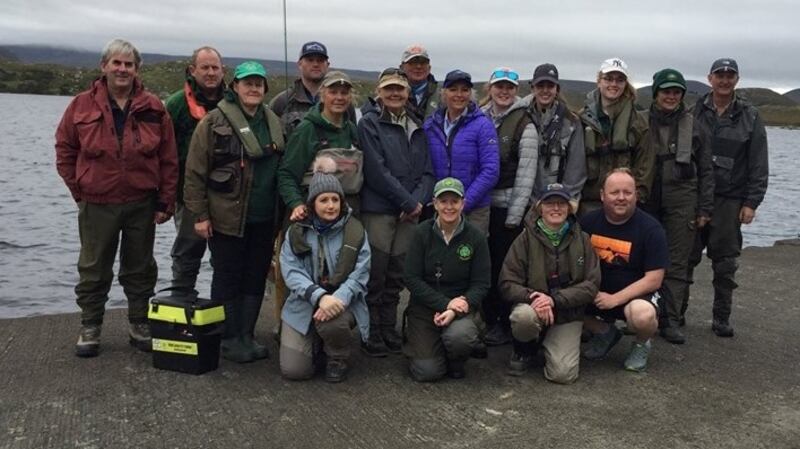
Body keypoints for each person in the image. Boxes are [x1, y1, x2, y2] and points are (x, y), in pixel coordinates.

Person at [55, 38, 178, 357]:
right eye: (117, 63)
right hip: (97, 202)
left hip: (142, 201)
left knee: (140, 267)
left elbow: (168, 157)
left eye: (129, 64)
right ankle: (90, 326)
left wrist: (166, 200)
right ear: (104, 66)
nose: (122, 69)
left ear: (137, 69)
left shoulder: (154, 107)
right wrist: (79, 190)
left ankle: (139, 324)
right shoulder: (80, 105)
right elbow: (65, 150)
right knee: (93, 267)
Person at [183, 61, 284, 363]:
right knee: (227, 276)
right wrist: (200, 215)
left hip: (264, 218)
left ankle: (246, 335)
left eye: (258, 84)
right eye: (247, 83)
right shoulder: (213, 122)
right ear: (235, 86)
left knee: (255, 276)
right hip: (226, 218)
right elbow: (194, 173)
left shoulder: (273, 121)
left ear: (265, 89)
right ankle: (227, 338)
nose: (253, 88)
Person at [358, 68, 435, 356]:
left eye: (399, 89)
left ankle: (388, 326)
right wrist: (407, 202)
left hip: (410, 213)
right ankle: (371, 330)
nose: (394, 93)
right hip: (380, 210)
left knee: (396, 273)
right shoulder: (369, 123)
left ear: (407, 92)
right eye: (388, 88)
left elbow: (428, 171)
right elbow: (376, 170)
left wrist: (417, 202)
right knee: (375, 272)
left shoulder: (417, 126)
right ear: (379, 92)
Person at [690, 58, 768, 337]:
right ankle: (672, 316)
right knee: (684, 258)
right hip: (695, 196)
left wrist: (751, 202)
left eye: (729, 75)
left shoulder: (751, 115)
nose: (724, 80)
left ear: (737, 79)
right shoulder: (694, 110)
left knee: (725, 264)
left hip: (730, 200)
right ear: (710, 78)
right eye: (719, 75)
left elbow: (759, 163)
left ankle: (721, 318)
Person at [279, 158, 371, 383]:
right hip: (304, 302)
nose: (330, 206)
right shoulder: (296, 232)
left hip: (342, 303)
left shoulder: (355, 231)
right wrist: (319, 297)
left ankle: (337, 357)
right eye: (323, 200)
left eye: (335, 199)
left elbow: (361, 273)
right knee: (295, 371)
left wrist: (337, 299)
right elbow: (291, 271)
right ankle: (313, 341)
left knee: (334, 323)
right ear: (312, 204)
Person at [499, 183, 600, 383]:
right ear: (540, 208)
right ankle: (524, 349)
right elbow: (507, 282)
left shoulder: (583, 239)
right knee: (523, 318)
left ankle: (551, 343)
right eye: (549, 203)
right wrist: (533, 297)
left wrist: (555, 300)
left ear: (570, 208)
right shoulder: (524, 239)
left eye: (561, 204)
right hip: (533, 308)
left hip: (568, 313)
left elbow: (592, 284)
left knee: (563, 375)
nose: (556, 208)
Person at [642, 68, 714, 344]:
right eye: (666, 91)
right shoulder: (640, 121)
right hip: (647, 196)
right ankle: (641, 314)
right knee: (643, 258)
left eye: (676, 92)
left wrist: (704, 208)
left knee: (677, 262)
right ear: (656, 93)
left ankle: (670, 319)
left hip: (683, 198)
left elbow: (706, 170)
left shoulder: (696, 126)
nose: (671, 96)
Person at [580, 168, 668, 372]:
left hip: (634, 297)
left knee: (642, 315)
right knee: (560, 296)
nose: (621, 198)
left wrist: (615, 299)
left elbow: (654, 279)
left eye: (627, 192)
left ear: (636, 195)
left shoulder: (651, 229)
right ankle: (605, 332)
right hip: (595, 293)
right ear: (602, 195)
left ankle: (641, 344)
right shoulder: (587, 222)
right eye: (614, 192)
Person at [403, 178, 491, 382]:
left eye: (454, 201)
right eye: (443, 201)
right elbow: (411, 278)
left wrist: (456, 307)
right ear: (435, 204)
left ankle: (456, 358)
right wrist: (444, 304)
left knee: (460, 337)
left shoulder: (476, 237)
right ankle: (420, 342)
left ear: (463, 203)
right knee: (427, 372)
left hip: (460, 308)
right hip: (424, 308)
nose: (449, 207)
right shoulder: (421, 233)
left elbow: (482, 283)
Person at [478, 67, 537, 347]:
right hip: (479, 204)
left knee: (504, 268)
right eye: (499, 86)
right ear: (490, 88)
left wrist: (514, 216)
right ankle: (484, 317)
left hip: (507, 207)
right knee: (482, 265)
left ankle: (502, 321)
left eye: (509, 87)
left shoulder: (526, 125)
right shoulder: (478, 117)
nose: (504, 92)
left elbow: (526, 174)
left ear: (516, 91)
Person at [164, 46, 225, 295]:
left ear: (223, 71)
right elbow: (164, 153)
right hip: (188, 196)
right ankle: (181, 302)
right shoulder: (176, 104)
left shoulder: (233, 102)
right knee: (187, 253)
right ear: (192, 70)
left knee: (224, 258)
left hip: (226, 197)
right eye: (205, 67)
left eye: (215, 68)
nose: (210, 73)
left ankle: (223, 307)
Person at [278, 70, 361, 220]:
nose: (339, 97)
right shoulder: (306, 130)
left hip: (347, 212)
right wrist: (296, 204)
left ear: (350, 97)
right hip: (313, 212)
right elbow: (287, 174)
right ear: (322, 95)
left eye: (344, 93)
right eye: (333, 92)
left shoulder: (352, 129)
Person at [424, 70, 500, 234]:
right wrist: (441, 203)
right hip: (440, 207)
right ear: (444, 93)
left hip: (475, 210)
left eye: (464, 90)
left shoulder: (483, 126)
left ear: (470, 94)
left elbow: (491, 170)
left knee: (470, 249)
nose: (459, 95)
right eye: (453, 89)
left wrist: (464, 203)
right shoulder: (430, 126)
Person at [579, 58, 653, 215]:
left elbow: (645, 166)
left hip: (623, 204)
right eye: (608, 78)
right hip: (588, 202)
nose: (614, 84)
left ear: (625, 84)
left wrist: (635, 199)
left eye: (620, 80)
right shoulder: (581, 119)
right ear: (599, 81)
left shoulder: (639, 123)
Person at [526, 63, 586, 206]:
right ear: (533, 88)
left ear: (557, 89)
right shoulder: (522, 118)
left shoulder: (572, 122)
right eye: (540, 86)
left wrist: (564, 200)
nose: (545, 91)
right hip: (527, 202)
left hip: (559, 202)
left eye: (550, 86)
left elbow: (576, 167)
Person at [269, 41, 329, 137]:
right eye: (310, 60)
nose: (315, 64)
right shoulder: (281, 102)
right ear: (300, 64)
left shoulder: (340, 101)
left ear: (327, 65)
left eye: (320, 60)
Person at [400, 44, 439, 122]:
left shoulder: (443, 96)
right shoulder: (390, 96)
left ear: (429, 67)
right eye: (412, 62)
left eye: (423, 62)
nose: (418, 66)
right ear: (401, 67)